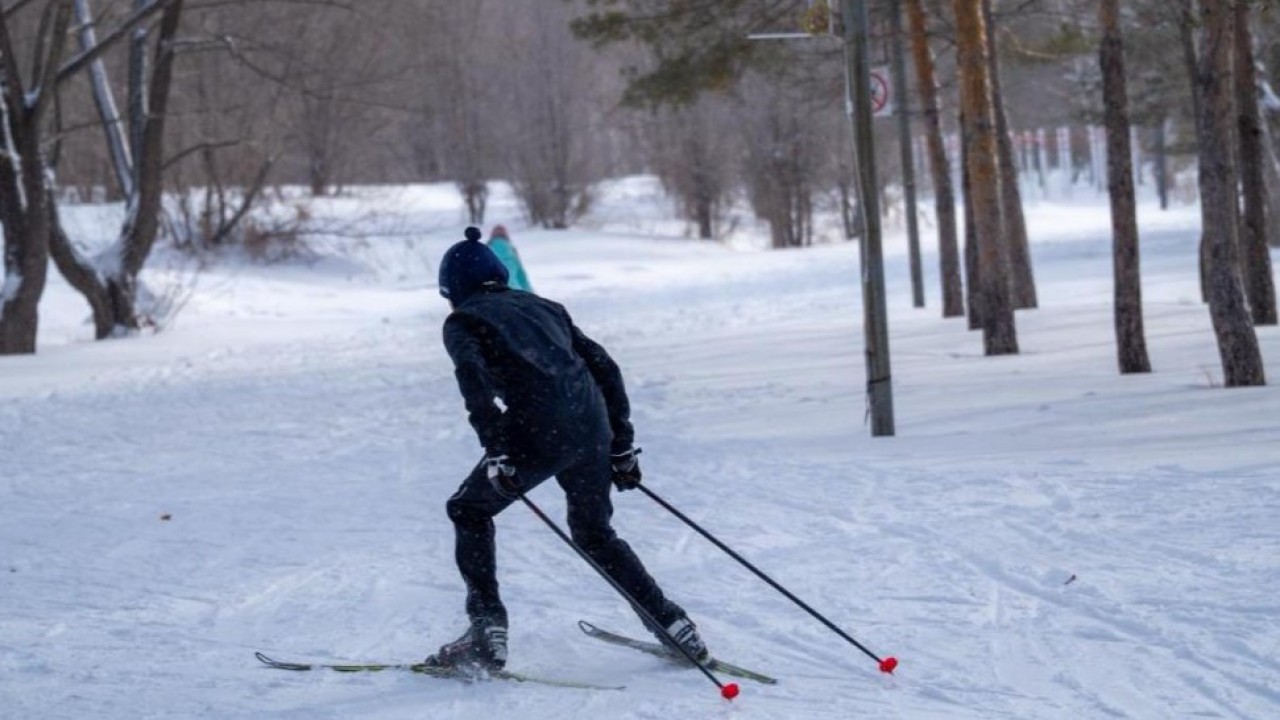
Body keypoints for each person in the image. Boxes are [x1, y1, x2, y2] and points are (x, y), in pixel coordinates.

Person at [425, 226, 707, 671]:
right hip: (591, 428)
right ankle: (673, 624)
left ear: (453, 290)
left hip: (537, 431)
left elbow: (473, 380)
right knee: (595, 534)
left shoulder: (464, 320)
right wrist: (621, 444)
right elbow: (605, 368)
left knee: (469, 510)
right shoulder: (545, 307)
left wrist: (498, 449)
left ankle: (486, 630)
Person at [485, 224, 534, 293]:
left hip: (492, 292)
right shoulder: (512, 251)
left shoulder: (486, 251)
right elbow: (521, 276)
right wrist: (530, 293)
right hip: (515, 290)